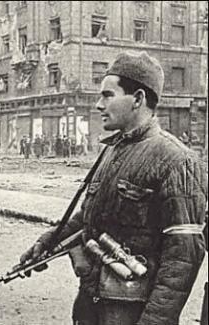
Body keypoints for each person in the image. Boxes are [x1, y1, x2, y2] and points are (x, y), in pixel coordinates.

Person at [19, 51, 207, 325]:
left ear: (138, 99)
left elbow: (183, 258)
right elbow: (89, 218)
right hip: (92, 304)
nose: (98, 105)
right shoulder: (111, 152)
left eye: (108, 95)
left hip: (132, 313)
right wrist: (49, 240)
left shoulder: (177, 160)